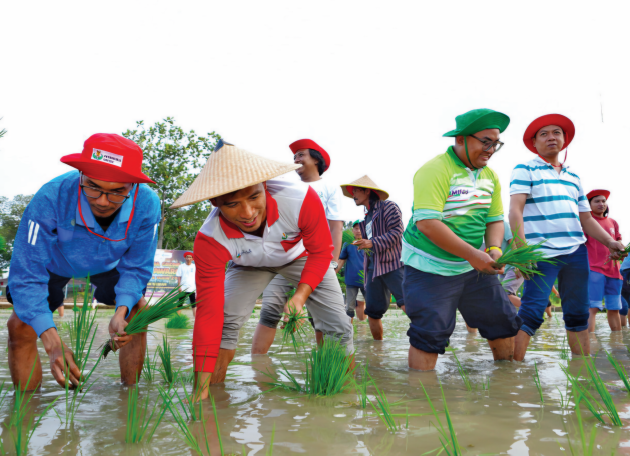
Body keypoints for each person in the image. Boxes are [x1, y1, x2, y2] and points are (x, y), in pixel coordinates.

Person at [170, 140, 354, 399]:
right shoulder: (210, 238)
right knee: (224, 321)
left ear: (264, 186)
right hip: (247, 265)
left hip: (300, 257)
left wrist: (300, 296)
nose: (247, 213)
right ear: (214, 202)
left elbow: (321, 251)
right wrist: (197, 395)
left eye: (254, 197)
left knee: (338, 325)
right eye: (232, 204)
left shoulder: (300, 199)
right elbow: (207, 313)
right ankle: (210, 393)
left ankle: (341, 399)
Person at [7, 133, 160, 390]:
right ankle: (24, 411)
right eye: (92, 186)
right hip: (53, 265)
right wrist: (53, 342)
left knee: (136, 314)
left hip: (108, 265)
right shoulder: (50, 197)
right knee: (20, 325)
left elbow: (136, 266)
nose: (102, 201)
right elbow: (27, 274)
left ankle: (129, 398)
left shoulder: (147, 204)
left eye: (117, 192)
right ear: (81, 175)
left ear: (133, 186)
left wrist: (120, 311)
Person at [401, 108, 521, 371]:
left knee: (502, 321)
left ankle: (507, 391)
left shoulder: (490, 176)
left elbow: (493, 220)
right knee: (429, 332)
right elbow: (428, 224)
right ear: (460, 139)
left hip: (473, 266)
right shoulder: (435, 170)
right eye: (485, 142)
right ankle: (421, 400)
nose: (490, 149)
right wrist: (474, 255)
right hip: (429, 267)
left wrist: (493, 250)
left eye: (495, 143)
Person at [509, 114, 625, 361]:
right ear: (534, 142)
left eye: (556, 132)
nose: (551, 137)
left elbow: (587, 220)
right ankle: (512, 375)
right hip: (541, 252)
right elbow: (515, 211)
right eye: (544, 134)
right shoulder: (525, 169)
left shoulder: (574, 177)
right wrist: (522, 252)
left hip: (575, 252)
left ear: (564, 140)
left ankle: (582, 372)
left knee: (578, 314)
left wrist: (610, 242)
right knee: (531, 312)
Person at [251, 139, 345, 353]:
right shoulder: (286, 185)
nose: (296, 159)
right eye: (294, 156)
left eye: (301, 154)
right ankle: (258, 365)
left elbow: (336, 226)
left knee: (325, 315)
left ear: (316, 159)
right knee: (270, 309)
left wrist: (332, 262)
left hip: (316, 258)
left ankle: (325, 363)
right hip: (283, 257)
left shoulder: (329, 187)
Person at [340, 175, 405, 340]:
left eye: (356, 191)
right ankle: (378, 350)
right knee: (373, 312)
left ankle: (429, 336)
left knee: (406, 302)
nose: (353, 195)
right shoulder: (366, 218)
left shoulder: (388, 207)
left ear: (367, 191)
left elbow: (397, 232)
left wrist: (372, 242)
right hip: (373, 269)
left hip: (392, 264)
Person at [584, 189, 624, 332]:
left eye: (603, 201)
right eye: (597, 201)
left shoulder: (613, 222)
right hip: (594, 269)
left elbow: (619, 241)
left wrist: (621, 251)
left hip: (615, 271)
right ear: (588, 205)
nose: (601, 204)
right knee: (592, 307)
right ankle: (590, 345)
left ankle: (617, 343)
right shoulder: (586, 223)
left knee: (614, 308)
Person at [337, 220, 366, 322]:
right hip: (351, 282)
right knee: (349, 309)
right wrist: (332, 274)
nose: (358, 231)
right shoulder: (347, 244)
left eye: (360, 228)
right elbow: (341, 261)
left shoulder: (369, 244)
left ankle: (365, 329)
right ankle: (349, 333)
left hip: (366, 281)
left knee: (371, 307)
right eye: (356, 228)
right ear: (353, 230)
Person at [176, 251, 197, 317]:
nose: (188, 258)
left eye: (190, 257)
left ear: (192, 259)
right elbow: (179, 277)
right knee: (180, 303)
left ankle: (195, 319)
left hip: (192, 288)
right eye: (187, 257)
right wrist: (179, 287)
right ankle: (177, 318)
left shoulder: (195, 267)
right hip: (183, 288)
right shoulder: (181, 266)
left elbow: (197, 277)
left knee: (193, 304)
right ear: (185, 258)